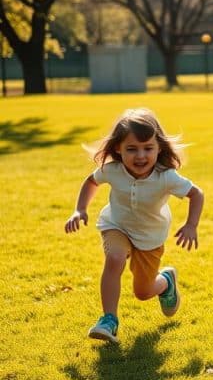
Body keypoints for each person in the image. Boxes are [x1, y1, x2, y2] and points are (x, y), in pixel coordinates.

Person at [65, 108, 205, 344]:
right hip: (116, 224)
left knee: (143, 292)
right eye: (132, 149)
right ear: (118, 149)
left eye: (147, 148)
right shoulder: (112, 170)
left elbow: (196, 194)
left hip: (150, 237)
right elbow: (91, 182)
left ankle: (166, 282)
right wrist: (80, 209)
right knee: (115, 258)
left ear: (159, 148)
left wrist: (191, 225)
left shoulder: (166, 176)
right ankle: (109, 319)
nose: (140, 156)